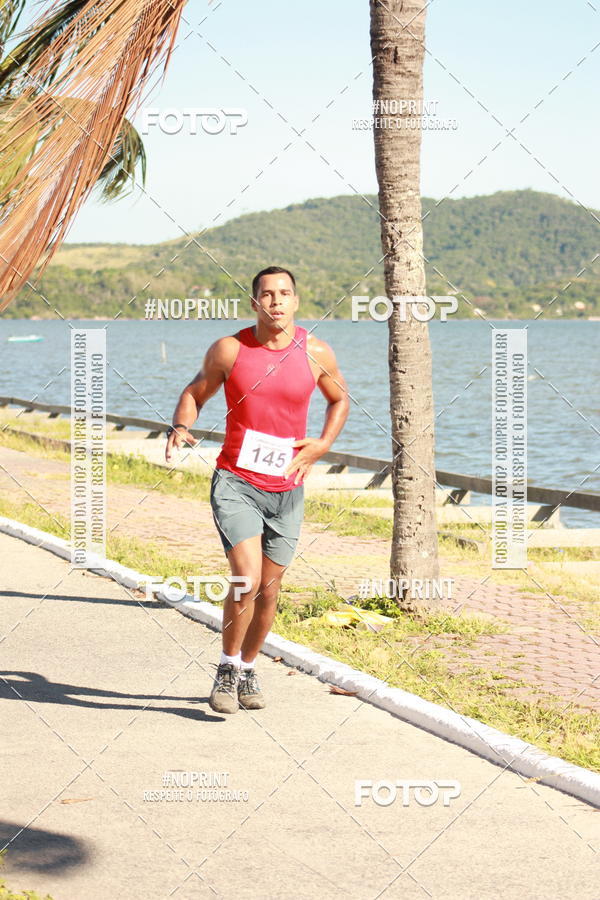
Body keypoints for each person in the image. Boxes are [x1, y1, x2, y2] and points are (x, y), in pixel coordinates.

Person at [165, 266, 349, 714]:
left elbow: (340, 399)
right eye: (267, 294)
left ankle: (248, 667)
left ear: (296, 301)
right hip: (236, 481)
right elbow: (196, 391)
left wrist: (322, 445)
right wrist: (181, 425)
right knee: (246, 578)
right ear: (254, 304)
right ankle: (227, 666)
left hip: (288, 488)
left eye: (284, 293)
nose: (276, 301)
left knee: (269, 589)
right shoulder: (230, 350)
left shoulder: (316, 352)